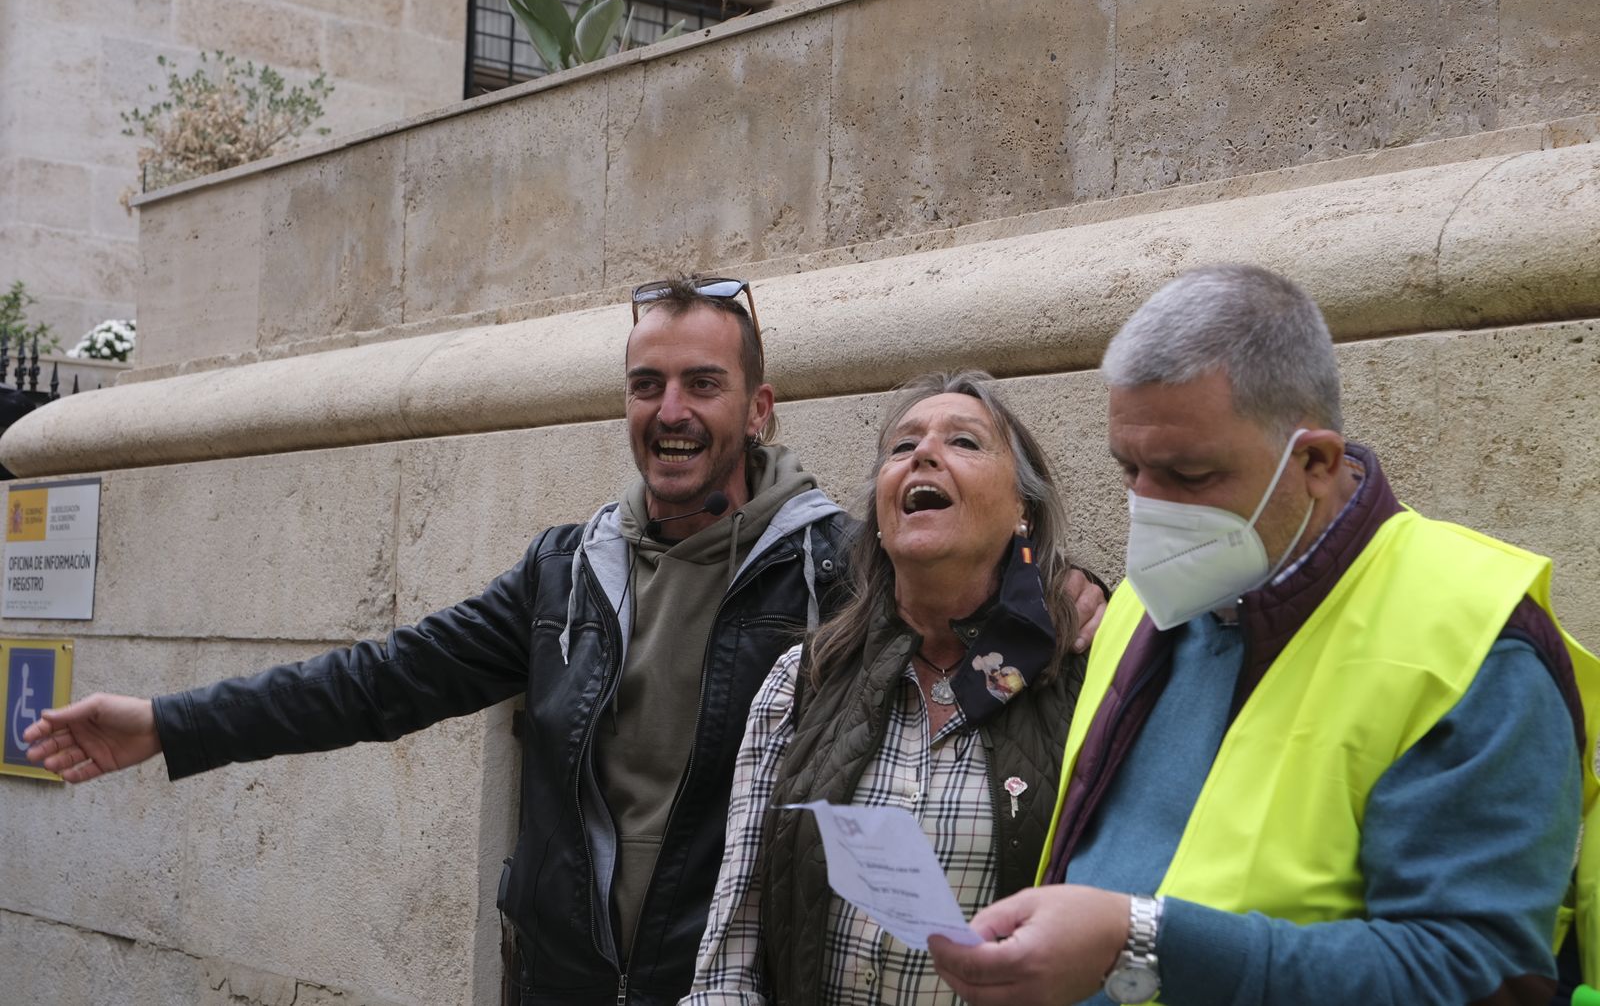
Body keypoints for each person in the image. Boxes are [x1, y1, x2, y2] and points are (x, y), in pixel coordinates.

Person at [25, 278, 1107, 1006]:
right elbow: (381, 681)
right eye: (647, 385)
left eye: (701, 384)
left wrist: (1065, 588)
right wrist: (167, 723)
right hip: (563, 977)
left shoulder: (832, 566)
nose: (670, 411)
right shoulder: (565, 571)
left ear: (760, 407)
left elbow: (966, 593)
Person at [928, 263, 1600, 1006]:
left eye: (1188, 475)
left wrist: (1144, 941)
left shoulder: (1475, 638)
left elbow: (1476, 976)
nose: (1148, 510)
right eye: (1129, 470)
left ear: (1314, 460)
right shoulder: (1148, 605)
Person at [684, 369, 1086, 1004]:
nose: (924, 453)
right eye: (903, 447)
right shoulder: (801, 682)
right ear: (878, 512)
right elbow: (731, 952)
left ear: (1022, 513)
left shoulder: (1082, 685)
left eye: (966, 442)